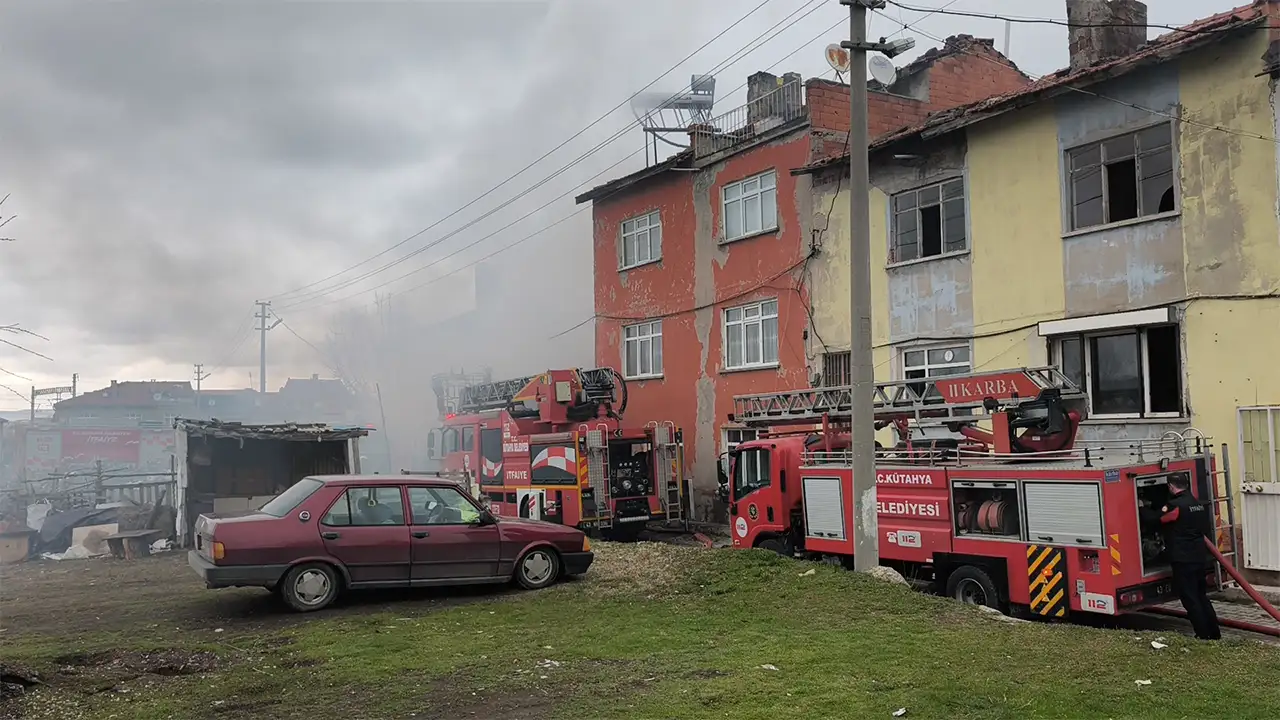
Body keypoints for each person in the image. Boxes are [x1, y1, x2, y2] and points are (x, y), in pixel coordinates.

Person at [1160, 472, 1222, 640]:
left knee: (1190, 598)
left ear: (1171, 487)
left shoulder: (1176, 506)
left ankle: (1202, 634)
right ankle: (1214, 633)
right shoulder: (1198, 504)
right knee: (1201, 596)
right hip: (1198, 557)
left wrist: (1143, 508)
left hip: (1183, 559)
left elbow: (1160, 520)